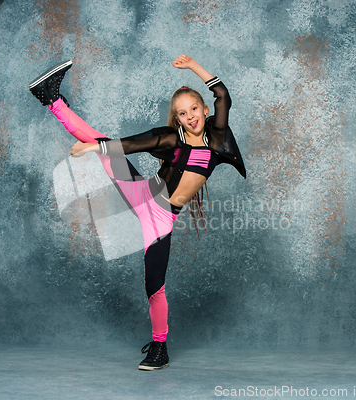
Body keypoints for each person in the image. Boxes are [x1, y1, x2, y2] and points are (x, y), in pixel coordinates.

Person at [28, 55, 246, 370]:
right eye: (182, 113)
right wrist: (94, 149)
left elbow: (223, 93)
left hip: (162, 216)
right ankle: (52, 101)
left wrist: (194, 66)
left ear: (206, 110)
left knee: (154, 284)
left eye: (194, 109)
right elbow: (131, 145)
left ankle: (160, 348)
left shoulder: (218, 137)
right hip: (146, 194)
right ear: (178, 119)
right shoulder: (173, 138)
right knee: (100, 141)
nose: (190, 117)